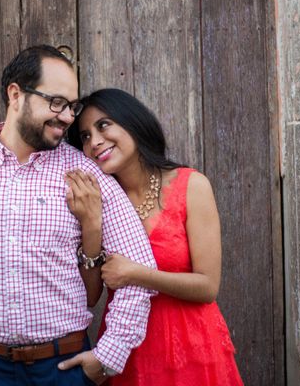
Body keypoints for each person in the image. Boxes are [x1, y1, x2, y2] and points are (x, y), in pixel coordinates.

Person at [0, 47, 156, 385]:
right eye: (57, 102)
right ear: (16, 94)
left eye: (72, 106)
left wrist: (108, 356)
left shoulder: (88, 174)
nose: (68, 117)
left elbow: (139, 270)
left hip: (62, 370)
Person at [64, 88, 243, 386]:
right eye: (83, 136)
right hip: (128, 348)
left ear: (133, 122)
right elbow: (91, 295)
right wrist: (91, 224)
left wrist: (137, 274)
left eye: (104, 125)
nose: (94, 142)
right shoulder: (100, 198)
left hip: (193, 345)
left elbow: (208, 286)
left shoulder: (191, 186)